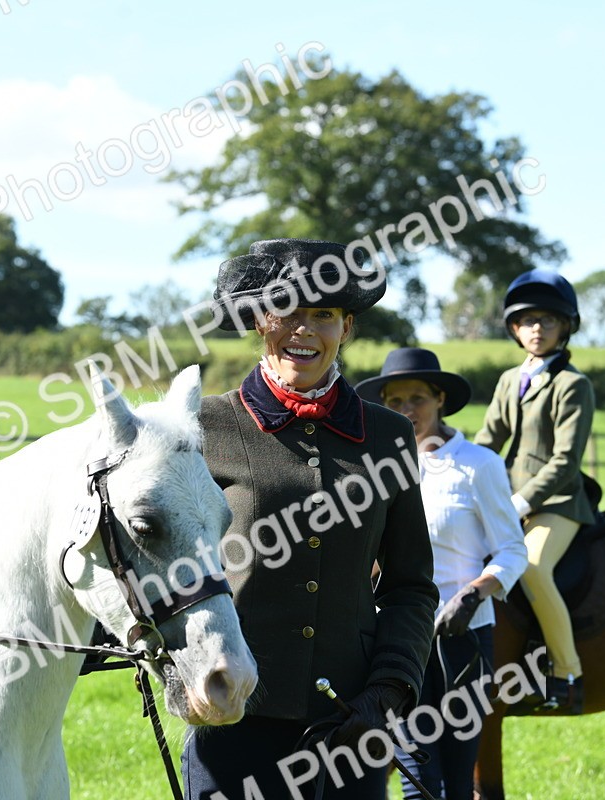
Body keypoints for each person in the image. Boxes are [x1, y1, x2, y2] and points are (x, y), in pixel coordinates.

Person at [182, 239, 438, 799]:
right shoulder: (205, 426)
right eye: (287, 310)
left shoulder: (390, 436)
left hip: (350, 723)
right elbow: (172, 571)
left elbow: (411, 586)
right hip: (235, 713)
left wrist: (388, 690)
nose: (304, 329)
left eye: (322, 314)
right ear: (258, 321)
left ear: (346, 328)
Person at [356, 347, 528, 800]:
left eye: (418, 398)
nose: (407, 410)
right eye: (395, 401)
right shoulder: (374, 470)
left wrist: (472, 595)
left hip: (463, 639)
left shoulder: (479, 465)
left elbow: (512, 551)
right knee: (416, 774)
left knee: (456, 774)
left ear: (440, 400)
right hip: (396, 636)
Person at [473, 268, 595, 714]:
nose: (537, 329)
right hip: (507, 498)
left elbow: (566, 461)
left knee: (534, 568)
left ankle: (568, 673)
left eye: (547, 320)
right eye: (527, 321)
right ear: (514, 328)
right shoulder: (510, 379)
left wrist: (521, 502)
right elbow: (488, 440)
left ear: (565, 327)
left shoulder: (573, 384)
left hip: (558, 503)